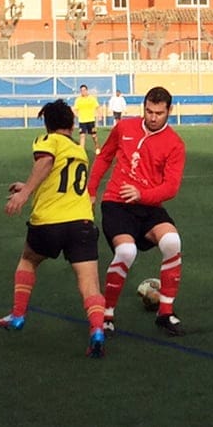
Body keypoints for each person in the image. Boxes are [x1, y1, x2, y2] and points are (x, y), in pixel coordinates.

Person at [0, 99, 106, 359]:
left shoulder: (48, 141)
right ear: (72, 123)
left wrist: (24, 193)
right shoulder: (79, 151)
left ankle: (18, 316)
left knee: (27, 260)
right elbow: (60, 180)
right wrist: (26, 184)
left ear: (48, 124)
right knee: (89, 283)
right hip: (81, 222)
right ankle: (97, 331)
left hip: (49, 222)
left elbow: (45, 163)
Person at [89, 86, 187, 336]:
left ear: (169, 111)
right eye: (149, 111)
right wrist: (91, 190)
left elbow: (171, 187)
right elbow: (104, 158)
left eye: (159, 113)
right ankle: (107, 314)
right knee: (126, 251)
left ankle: (165, 312)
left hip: (149, 206)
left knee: (172, 242)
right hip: (116, 203)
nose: (153, 117)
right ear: (143, 108)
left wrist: (143, 195)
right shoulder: (124, 128)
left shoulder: (175, 144)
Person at [73, 84, 101, 155]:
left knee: (94, 136)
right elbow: (75, 109)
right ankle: (82, 151)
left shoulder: (92, 99)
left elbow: (97, 107)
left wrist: (99, 115)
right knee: (82, 136)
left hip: (91, 120)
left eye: (84, 90)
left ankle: (97, 147)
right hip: (82, 121)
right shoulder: (78, 100)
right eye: (81, 90)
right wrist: (77, 115)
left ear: (87, 90)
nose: (83, 92)